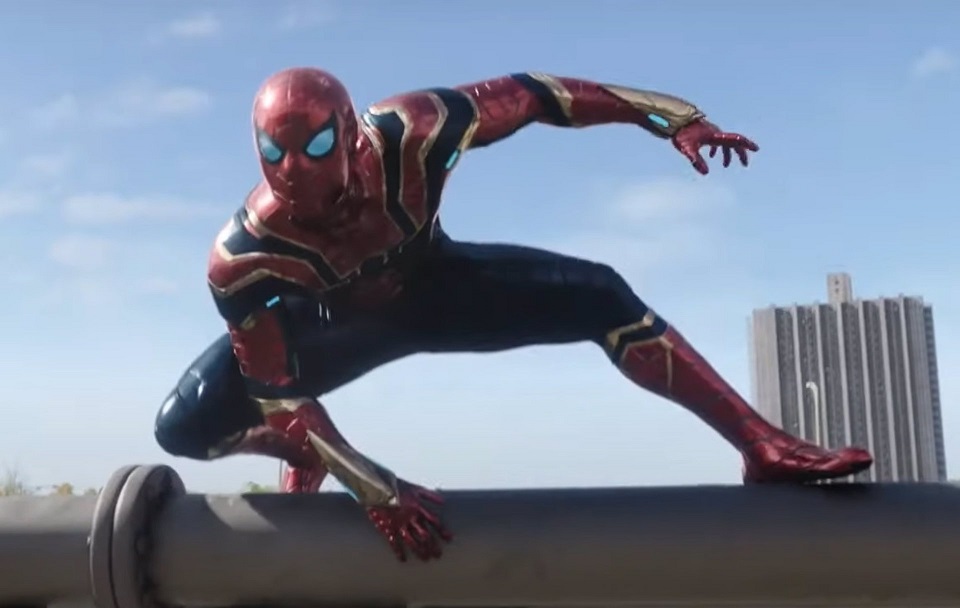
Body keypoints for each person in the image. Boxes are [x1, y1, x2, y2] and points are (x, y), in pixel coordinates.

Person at [154, 68, 873, 562]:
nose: (304, 178)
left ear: (349, 134)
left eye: (317, 149)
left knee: (601, 293)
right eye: (278, 155)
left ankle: (760, 445)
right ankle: (306, 459)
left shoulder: (414, 131)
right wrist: (375, 487)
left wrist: (672, 117)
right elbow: (277, 394)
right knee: (182, 425)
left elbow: (538, 96)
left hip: (436, 288)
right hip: (329, 325)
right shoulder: (243, 256)